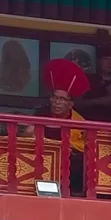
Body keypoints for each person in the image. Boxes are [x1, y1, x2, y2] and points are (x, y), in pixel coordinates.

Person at [35, 58, 88, 193]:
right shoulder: (41, 114)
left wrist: (69, 148)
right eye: (55, 98)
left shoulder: (79, 121)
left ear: (70, 104)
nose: (57, 102)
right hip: (42, 160)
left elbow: (84, 147)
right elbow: (29, 134)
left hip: (68, 167)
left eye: (62, 99)